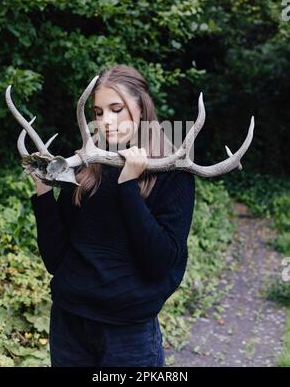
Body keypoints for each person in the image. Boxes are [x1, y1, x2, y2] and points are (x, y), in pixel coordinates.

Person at [30, 64, 195, 367]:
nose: (106, 121)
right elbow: (56, 259)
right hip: (69, 324)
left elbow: (160, 262)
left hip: (128, 333)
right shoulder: (85, 168)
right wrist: (43, 193)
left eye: (116, 109)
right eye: (98, 112)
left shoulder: (174, 173)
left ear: (141, 107)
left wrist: (128, 184)